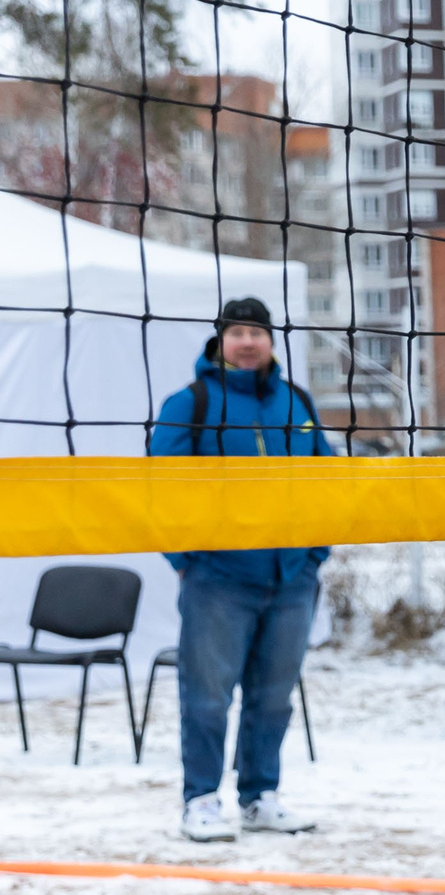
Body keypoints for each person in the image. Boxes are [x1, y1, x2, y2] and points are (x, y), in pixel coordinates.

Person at [147, 298, 332, 843]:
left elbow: (329, 481)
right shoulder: (191, 404)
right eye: (237, 332)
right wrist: (186, 563)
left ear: (272, 341)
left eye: (257, 331)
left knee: (273, 698)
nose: (248, 341)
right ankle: (201, 800)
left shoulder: (297, 402)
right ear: (220, 341)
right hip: (219, 581)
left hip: (291, 579)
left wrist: (314, 555)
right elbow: (159, 493)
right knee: (207, 698)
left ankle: (259, 798)